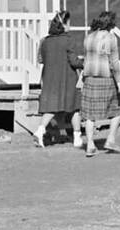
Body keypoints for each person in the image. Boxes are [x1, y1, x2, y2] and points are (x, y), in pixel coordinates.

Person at [33, 10, 85, 149]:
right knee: (75, 108)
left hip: (49, 77)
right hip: (67, 78)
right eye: (69, 23)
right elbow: (74, 62)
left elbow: (41, 59)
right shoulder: (69, 40)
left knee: (52, 107)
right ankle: (77, 137)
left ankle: (40, 130)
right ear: (64, 25)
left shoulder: (45, 41)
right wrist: (83, 63)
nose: (70, 26)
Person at [81, 10, 120, 157]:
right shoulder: (110, 38)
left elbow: (86, 58)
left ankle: (90, 145)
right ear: (111, 23)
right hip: (106, 78)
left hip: (89, 78)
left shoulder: (88, 37)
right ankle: (111, 139)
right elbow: (114, 62)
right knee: (117, 110)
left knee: (89, 115)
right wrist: (119, 81)